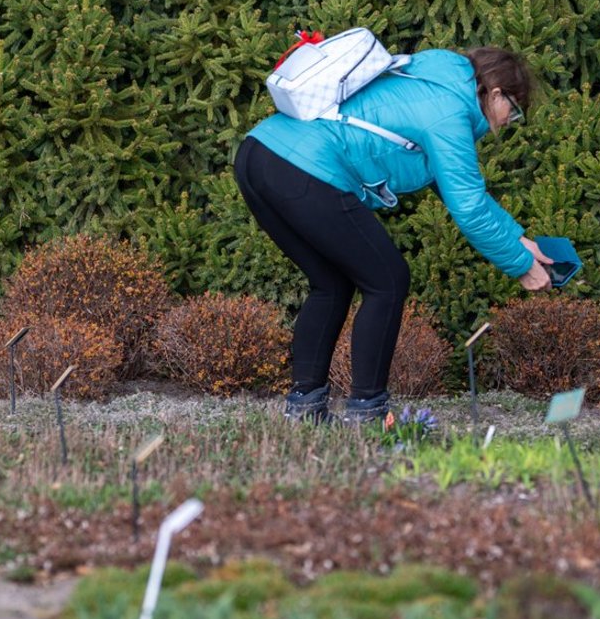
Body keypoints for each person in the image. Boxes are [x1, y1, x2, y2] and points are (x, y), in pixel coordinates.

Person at [233, 44, 553, 424]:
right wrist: (521, 266)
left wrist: (518, 240)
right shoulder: (449, 113)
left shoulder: (430, 80)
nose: (508, 122)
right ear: (496, 93)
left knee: (331, 283)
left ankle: (305, 409)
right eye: (513, 110)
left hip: (258, 155)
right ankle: (366, 413)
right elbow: (468, 207)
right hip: (305, 167)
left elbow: (461, 192)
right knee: (388, 280)